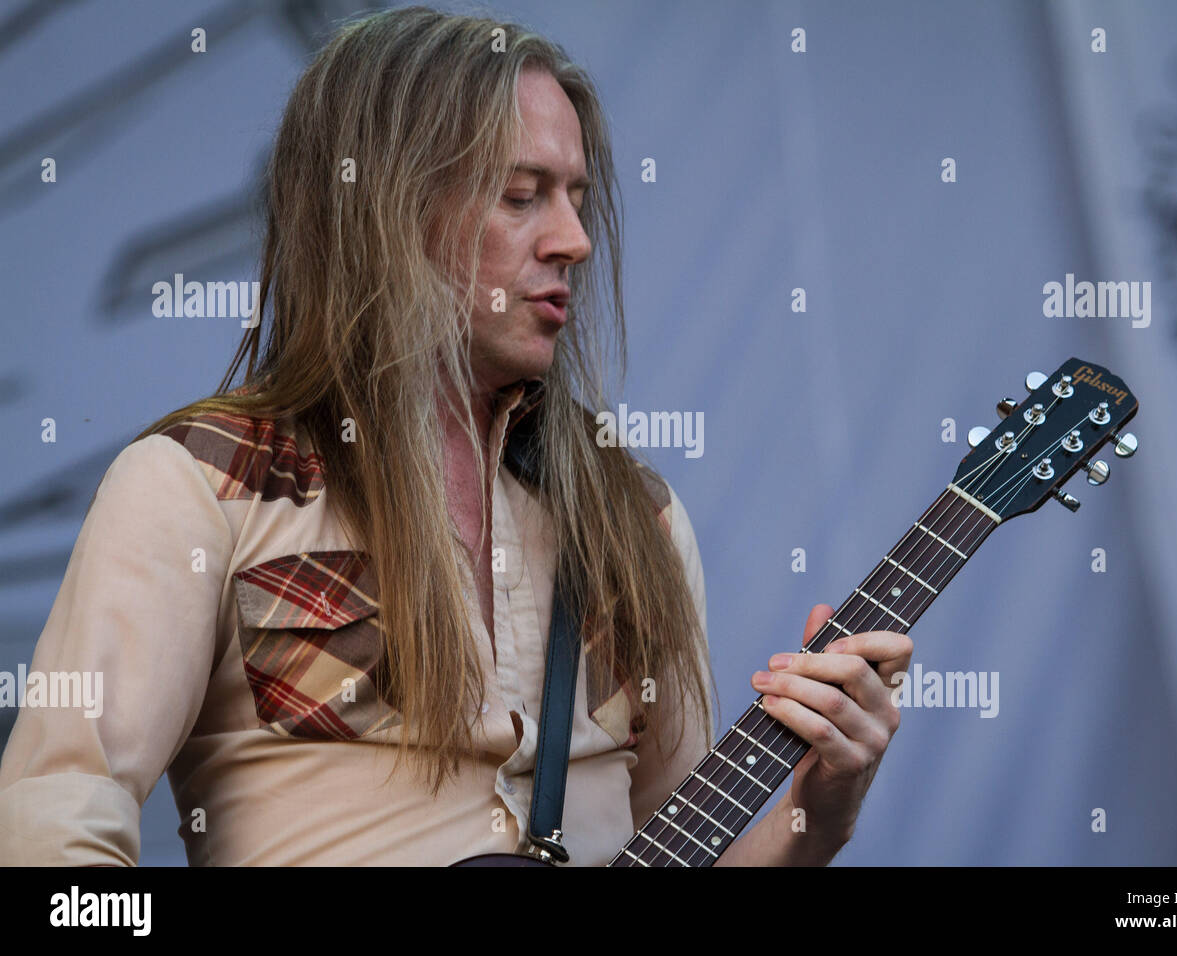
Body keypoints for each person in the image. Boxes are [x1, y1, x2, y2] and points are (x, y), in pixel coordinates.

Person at [0, 7, 912, 867]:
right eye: (522, 196)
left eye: (578, 197)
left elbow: (681, 844)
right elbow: (57, 816)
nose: (574, 240)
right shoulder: (199, 486)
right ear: (386, 216)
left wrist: (818, 808)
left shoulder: (640, 522)